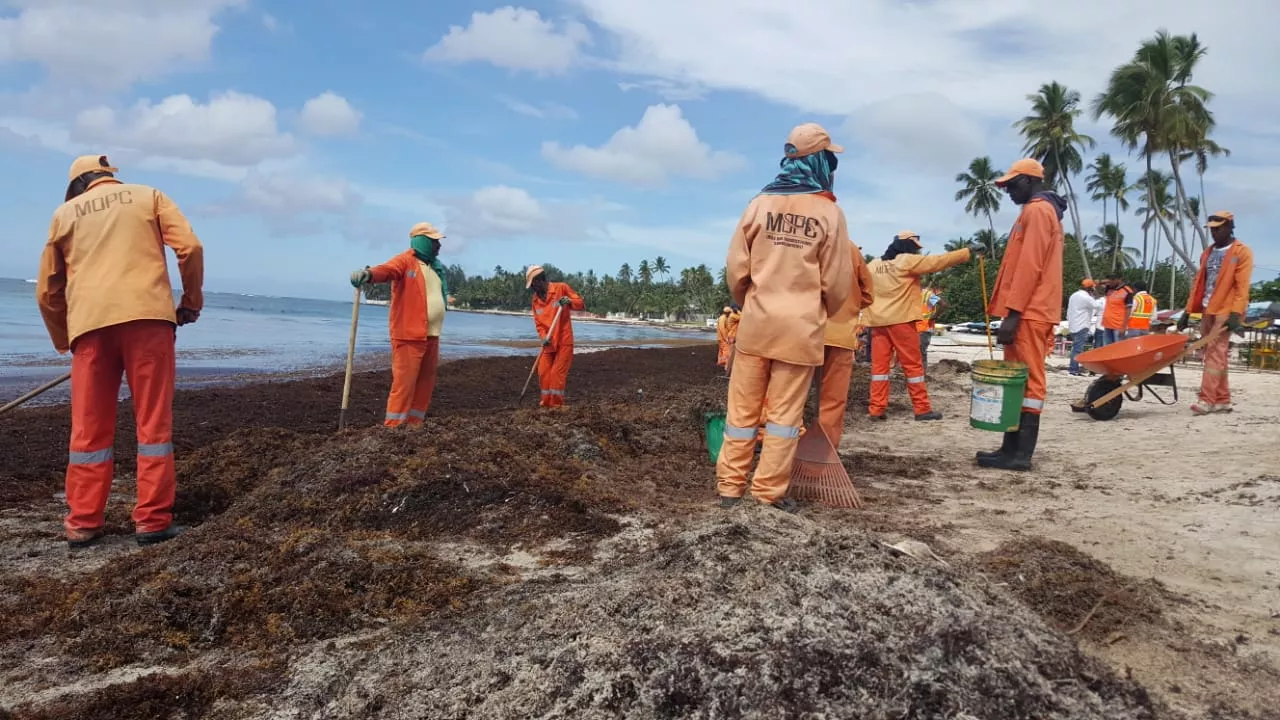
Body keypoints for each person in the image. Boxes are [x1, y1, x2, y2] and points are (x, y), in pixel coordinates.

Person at [36, 154, 204, 549]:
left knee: (88, 430)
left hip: (90, 330)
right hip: (149, 321)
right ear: (108, 176)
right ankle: (151, 521)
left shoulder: (64, 215)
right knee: (153, 428)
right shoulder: (149, 196)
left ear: (78, 186)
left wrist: (66, 339)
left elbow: (47, 291)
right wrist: (191, 302)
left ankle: (82, 523)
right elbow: (190, 248)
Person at [717, 122, 853, 513]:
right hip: (800, 330)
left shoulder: (758, 204)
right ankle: (767, 493)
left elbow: (736, 269)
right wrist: (815, 307)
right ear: (820, 161)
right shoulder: (829, 213)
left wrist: (752, 300)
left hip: (757, 325)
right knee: (782, 419)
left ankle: (729, 490)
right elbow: (838, 282)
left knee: (741, 414)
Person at [976, 158, 1065, 471]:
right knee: (1018, 381)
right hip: (1029, 310)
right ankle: (1009, 449)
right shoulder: (1037, 211)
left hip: (1029, 311)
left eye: (1013, 185)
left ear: (1029, 181)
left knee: (1028, 383)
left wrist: (1013, 314)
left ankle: (1020, 454)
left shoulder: (1037, 211)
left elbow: (1030, 266)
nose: (1009, 192)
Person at [864, 232, 979, 421]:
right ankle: (922, 409)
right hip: (901, 321)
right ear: (908, 247)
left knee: (879, 369)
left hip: (877, 324)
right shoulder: (906, 261)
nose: (917, 252)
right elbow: (938, 261)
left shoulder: (873, 265)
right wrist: (967, 251)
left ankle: (876, 410)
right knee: (913, 368)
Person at [350, 222, 451, 427]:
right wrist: (368, 275)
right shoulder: (406, 261)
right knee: (404, 384)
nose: (438, 245)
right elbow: (387, 270)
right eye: (434, 241)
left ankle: (414, 424)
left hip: (431, 335)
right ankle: (393, 427)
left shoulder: (435, 268)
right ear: (422, 241)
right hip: (408, 335)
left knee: (425, 383)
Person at [1178, 211, 1253, 415]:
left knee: (1214, 353)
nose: (1214, 232)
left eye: (1218, 228)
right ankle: (1222, 399)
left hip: (1226, 309)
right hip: (1207, 308)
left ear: (1230, 227)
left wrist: (1236, 314)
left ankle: (1206, 400)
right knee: (1216, 355)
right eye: (1212, 229)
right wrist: (1187, 311)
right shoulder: (1208, 253)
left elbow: (1242, 287)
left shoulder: (1241, 252)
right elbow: (1199, 283)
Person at [818, 241, 874, 445]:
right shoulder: (850, 249)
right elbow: (868, 294)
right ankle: (824, 450)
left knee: (789, 396)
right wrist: (847, 306)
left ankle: (782, 447)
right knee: (832, 399)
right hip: (840, 334)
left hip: (802, 333)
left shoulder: (801, 238)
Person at [526, 265, 585, 407]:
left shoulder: (561, 288)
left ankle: (556, 405)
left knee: (556, 375)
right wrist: (542, 337)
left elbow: (580, 304)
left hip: (564, 341)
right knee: (543, 373)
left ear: (539, 280)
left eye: (533, 284)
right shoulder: (535, 300)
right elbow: (539, 324)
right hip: (548, 343)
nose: (533, 288)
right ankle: (546, 403)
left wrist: (570, 301)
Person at [1067, 279, 1102, 375]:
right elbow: (1098, 306)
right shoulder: (1086, 297)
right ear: (1090, 289)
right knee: (1077, 348)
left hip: (1073, 324)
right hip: (1082, 324)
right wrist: (1096, 295)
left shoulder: (1074, 295)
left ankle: (1074, 368)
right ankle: (1073, 369)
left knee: (1076, 347)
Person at [1100, 273, 1134, 346]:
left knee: (1118, 349)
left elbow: (1128, 310)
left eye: (1112, 280)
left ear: (1119, 279)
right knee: (1107, 349)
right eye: (1109, 280)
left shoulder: (1127, 291)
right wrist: (1105, 281)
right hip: (1107, 324)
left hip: (1118, 326)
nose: (1110, 282)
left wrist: (1124, 327)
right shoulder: (1109, 288)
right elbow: (1096, 283)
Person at [917, 285, 946, 367]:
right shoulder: (911, 294)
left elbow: (943, 305)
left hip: (924, 328)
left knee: (921, 352)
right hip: (914, 328)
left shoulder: (928, 295)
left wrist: (935, 316)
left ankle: (922, 373)